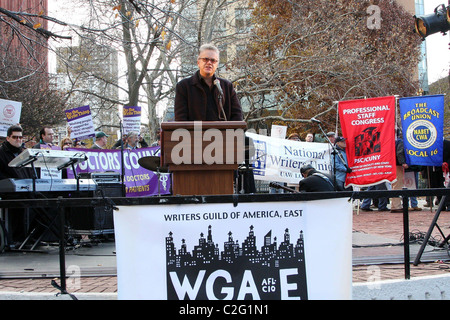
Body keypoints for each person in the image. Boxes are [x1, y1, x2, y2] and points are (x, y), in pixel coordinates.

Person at [174, 43, 243, 121]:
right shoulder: (184, 86)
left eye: (213, 60)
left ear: (217, 64)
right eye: (205, 59)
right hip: (194, 133)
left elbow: (237, 116)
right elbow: (180, 119)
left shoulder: (227, 87)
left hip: (224, 133)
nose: (209, 63)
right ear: (198, 62)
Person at [390, 131, 408, 213]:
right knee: (398, 185)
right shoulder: (399, 142)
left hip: (390, 165)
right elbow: (399, 153)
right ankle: (396, 205)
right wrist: (403, 162)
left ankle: (395, 204)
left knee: (394, 185)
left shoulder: (389, 142)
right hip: (397, 165)